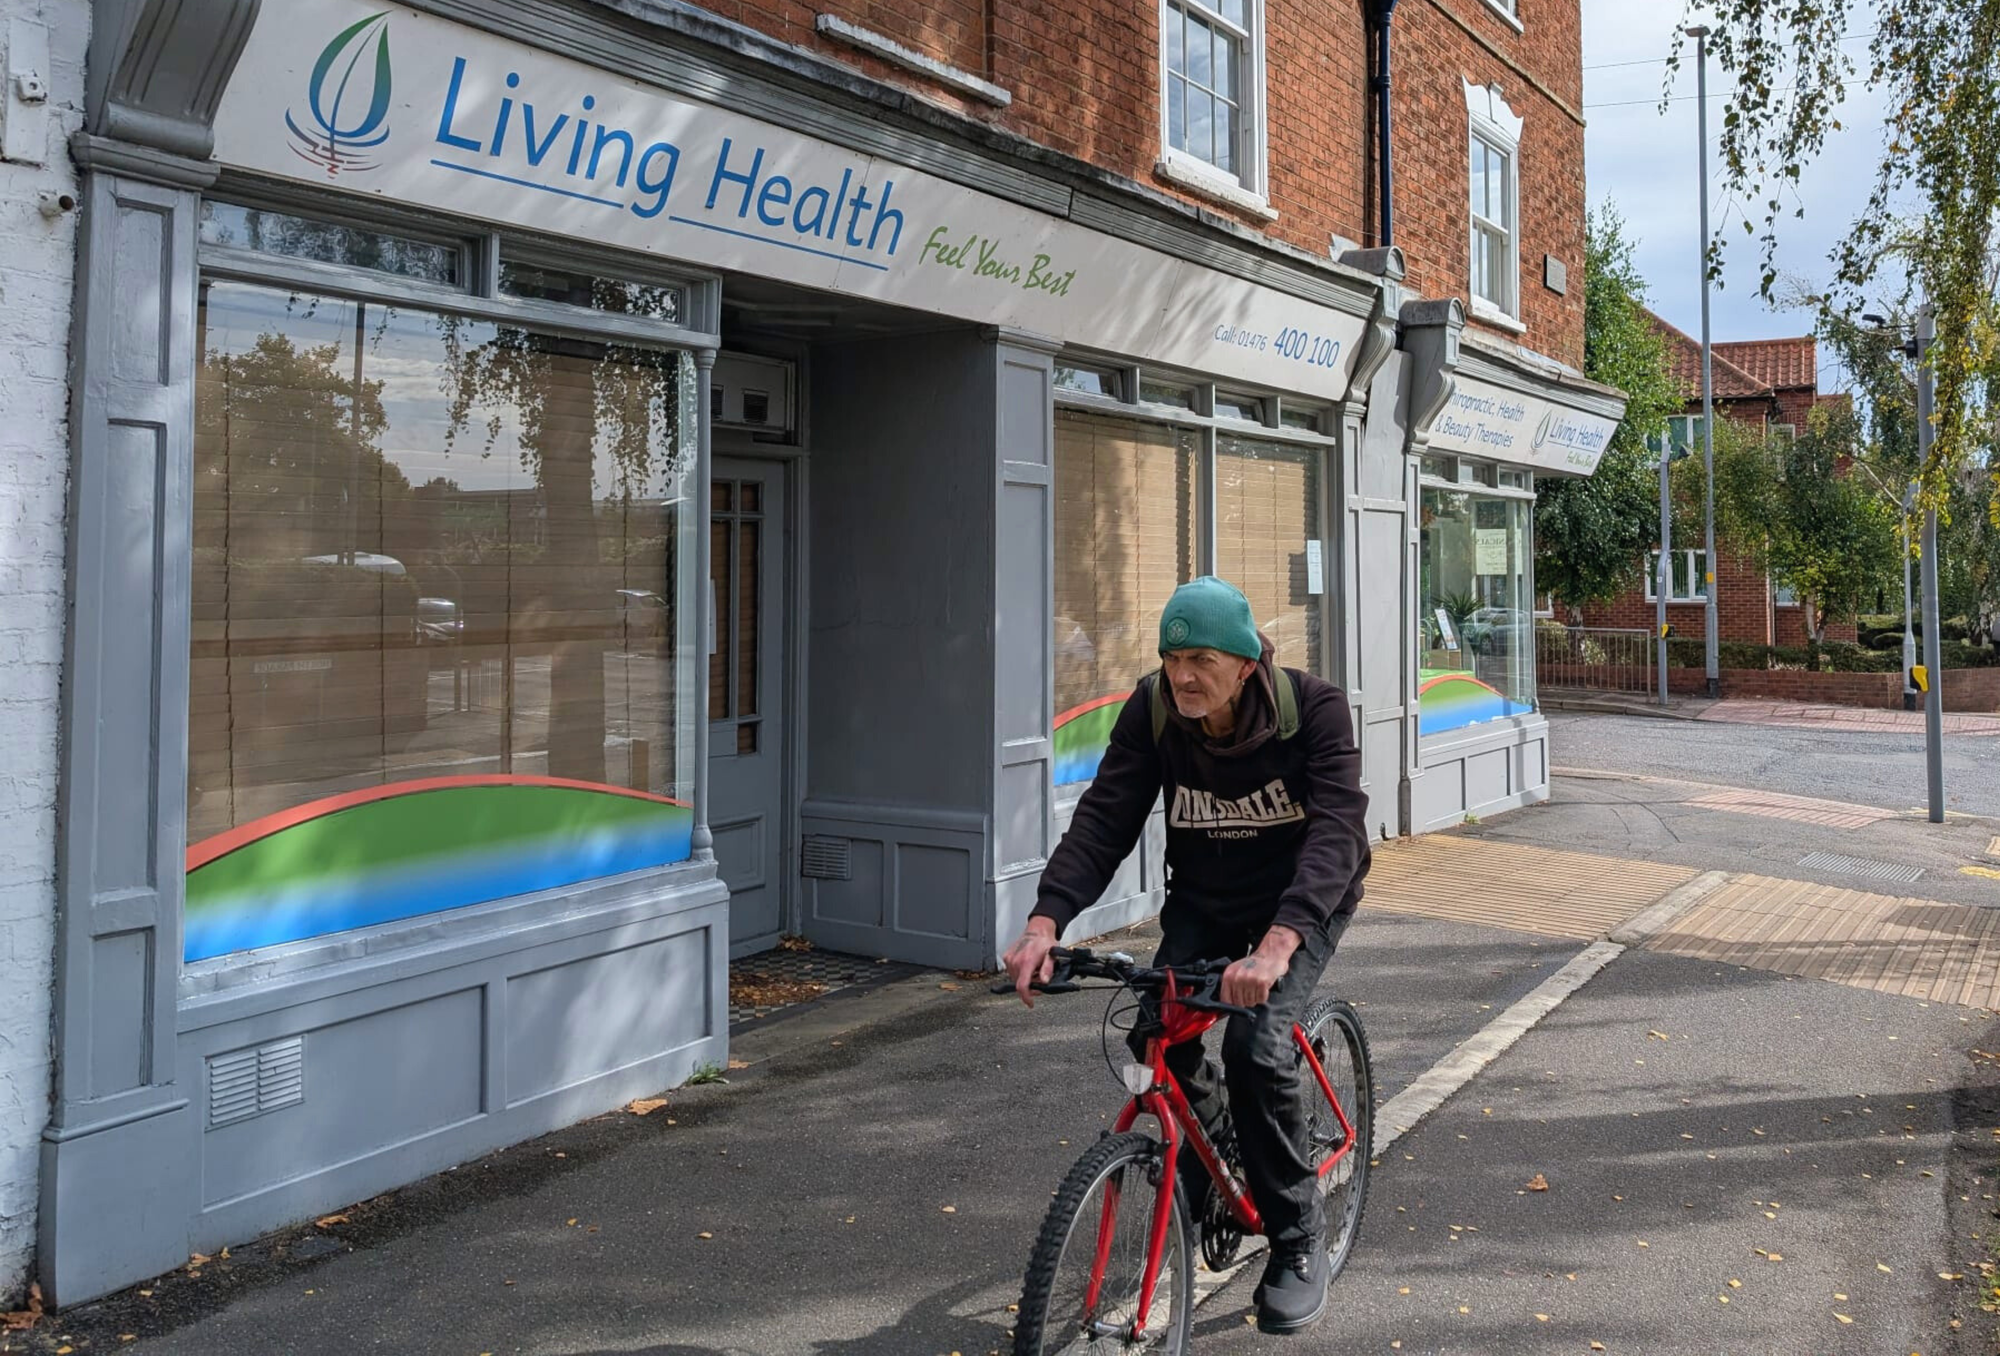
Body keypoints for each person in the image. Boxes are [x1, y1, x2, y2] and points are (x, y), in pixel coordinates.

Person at [1003, 576, 1372, 1335]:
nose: (1182, 676)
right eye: (1172, 658)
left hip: (1301, 905)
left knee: (1257, 1047)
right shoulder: (1156, 712)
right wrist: (1046, 922)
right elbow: (1105, 816)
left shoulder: (1316, 712)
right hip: (1207, 900)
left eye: (1200, 659)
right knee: (1152, 1037)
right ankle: (1217, 1155)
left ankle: (1296, 1240)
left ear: (1246, 663)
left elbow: (1336, 833)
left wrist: (1276, 947)